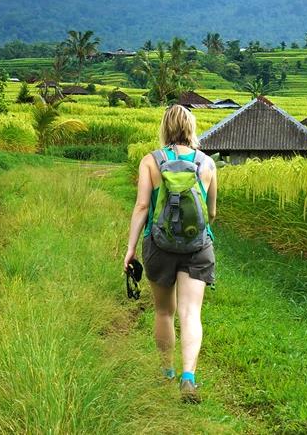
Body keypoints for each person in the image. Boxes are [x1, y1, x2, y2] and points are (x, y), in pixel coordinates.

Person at [122, 104, 217, 403]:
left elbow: (141, 207)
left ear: (164, 127)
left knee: (164, 311)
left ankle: (167, 372)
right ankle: (189, 377)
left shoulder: (151, 161)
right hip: (198, 247)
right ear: (191, 127)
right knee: (191, 313)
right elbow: (211, 213)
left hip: (159, 246)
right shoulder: (207, 164)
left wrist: (130, 249)